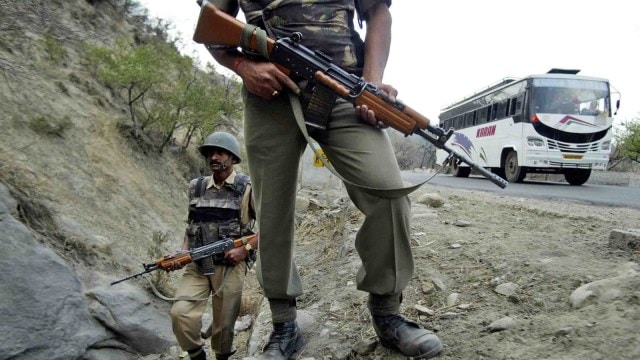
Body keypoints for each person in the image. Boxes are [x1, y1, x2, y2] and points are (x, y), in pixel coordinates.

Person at [205, 1, 443, 359]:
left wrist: (373, 85)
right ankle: (284, 325)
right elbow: (211, 23)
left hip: (343, 86)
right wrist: (241, 66)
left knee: (389, 193)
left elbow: (378, 11)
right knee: (271, 211)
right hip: (270, 91)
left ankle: (387, 314)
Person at [170, 131, 258, 360]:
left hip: (230, 265)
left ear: (233, 159)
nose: (214, 157)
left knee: (224, 326)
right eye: (211, 152)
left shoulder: (247, 187)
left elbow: (270, 227)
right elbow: (192, 225)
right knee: (180, 314)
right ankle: (197, 354)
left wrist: (245, 249)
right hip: (198, 263)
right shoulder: (196, 186)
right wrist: (182, 252)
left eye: (220, 153)